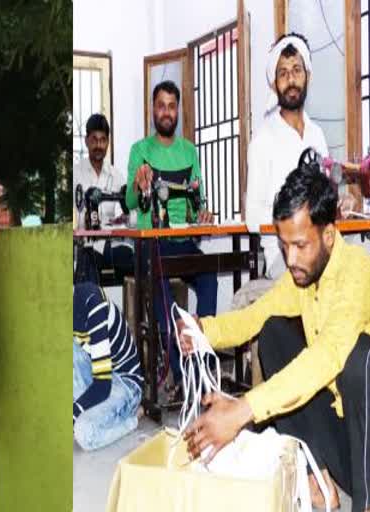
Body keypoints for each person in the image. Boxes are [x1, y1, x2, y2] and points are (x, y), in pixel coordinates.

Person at [178, 167, 370, 512]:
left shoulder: (357, 272)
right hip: (347, 448)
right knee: (275, 331)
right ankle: (317, 480)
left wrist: (243, 410)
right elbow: (255, 315)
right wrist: (205, 331)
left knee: (356, 355)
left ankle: (369, 505)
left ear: (330, 235)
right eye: (284, 245)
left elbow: (326, 357)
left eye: (300, 245)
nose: (290, 259)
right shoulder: (303, 276)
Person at [125, 80, 217, 398]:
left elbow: (197, 202)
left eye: (171, 105)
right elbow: (130, 203)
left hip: (183, 242)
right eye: (161, 105)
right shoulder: (140, 151)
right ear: (153, 110)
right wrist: (138, 185)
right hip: (154, 243)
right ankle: (181, 376)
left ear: (178, 110)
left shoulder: (189, 152)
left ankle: (202, 360)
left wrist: (203, 213)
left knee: (209, 274)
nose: (166, 111)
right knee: (167, 294)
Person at [245, 32, 328, 279]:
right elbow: (252, 219)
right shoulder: (263, 140)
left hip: (320, 249)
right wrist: (295, 223)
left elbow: (325, 196)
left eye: (296, 70)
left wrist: (341, 204)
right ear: (274, 84)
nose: (291, 79)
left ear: (308, 76)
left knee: (360, 266)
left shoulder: (317, 135)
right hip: (284, 256)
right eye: (283, 73)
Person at [73, 282, 143, 450]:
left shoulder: (92, 301)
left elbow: (102, 385)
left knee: (84, 432)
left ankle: (133, 418)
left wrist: (73, 413)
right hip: (96, 372)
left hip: (124, 382)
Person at [73, 113, 133, 282]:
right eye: (94, 140)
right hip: (84, 244)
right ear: (86, 141)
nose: (99, 145)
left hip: (110, 244)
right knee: (87, 259)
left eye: (103, 140)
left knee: (133, 259)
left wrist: (125, 218)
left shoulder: (116, 175)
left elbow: (129, 206)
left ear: (108, 142)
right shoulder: (76, 174)